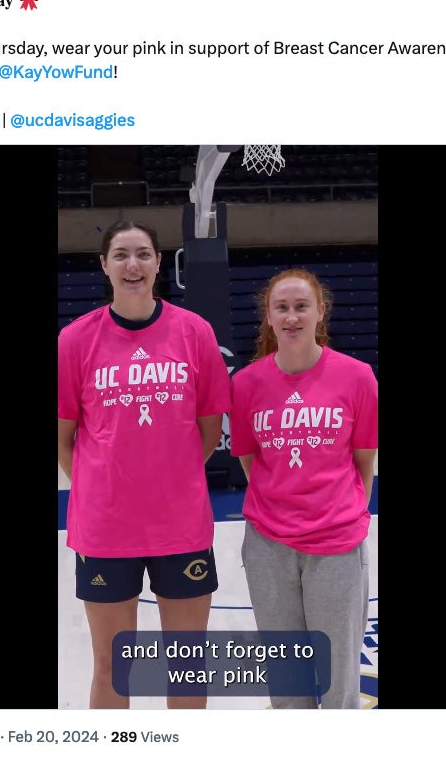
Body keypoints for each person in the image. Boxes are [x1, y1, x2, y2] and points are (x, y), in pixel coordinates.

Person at [58, 221, 231, 709]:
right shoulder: (74, 340)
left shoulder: (194, 332)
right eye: (120, 255)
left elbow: (209, 430)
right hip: (105, 528)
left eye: (142, 254)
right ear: (104, 265)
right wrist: (101, 486)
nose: (132, 265)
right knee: (113, 666)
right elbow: (63, 437)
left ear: (159, 263)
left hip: (181, 525)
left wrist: (170, 479)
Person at [229, 268, 378, 709]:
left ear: (320, 311)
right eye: (281, 308)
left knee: (339, 682)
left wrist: (340, 510)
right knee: (286, 679)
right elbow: (250, 459)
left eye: (301, 306)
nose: (291, 316)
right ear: (268, 317)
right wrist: (280, 504)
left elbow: (364, 459)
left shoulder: (357, 377)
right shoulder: (246, 384)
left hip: (336, 544)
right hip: (268, 545)